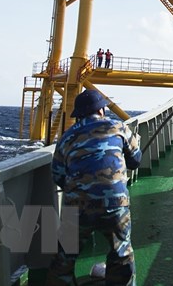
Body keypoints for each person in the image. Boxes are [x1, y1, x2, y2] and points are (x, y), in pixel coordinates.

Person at [46, 89, 142, 286]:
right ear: (101, 110)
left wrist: (80, 190)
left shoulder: (66, 137)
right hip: (115, 203)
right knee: (121, 252)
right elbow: (135, 161)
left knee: (64, 257)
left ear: (78, 115)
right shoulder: (118, 127)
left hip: (77, 206)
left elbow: (58, 175)